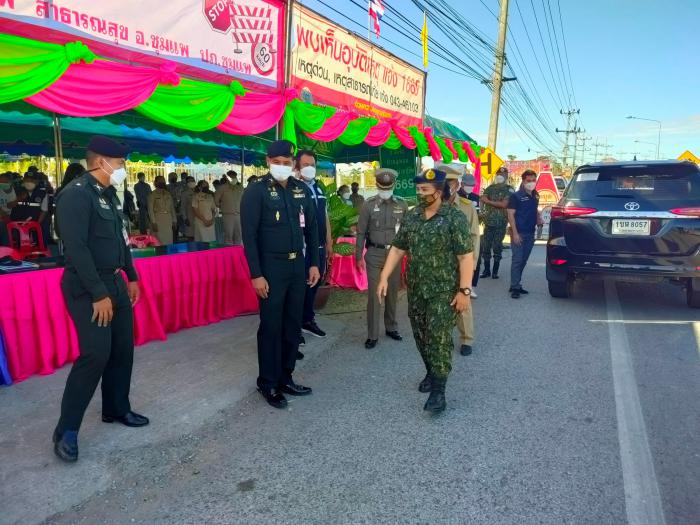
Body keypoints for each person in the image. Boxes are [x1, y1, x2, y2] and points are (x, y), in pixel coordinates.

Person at [52, 136, 148, 463]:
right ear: (100, 162)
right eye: (120, 164)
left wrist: (131, 276)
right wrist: (98, 293)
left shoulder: (108, 196)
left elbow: (121, 244)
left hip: (115, 282)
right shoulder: (75, 196)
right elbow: (76, 250)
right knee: (95, 354)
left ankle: (116, 409)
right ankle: (66, 430)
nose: (123, 170)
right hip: (86, 286)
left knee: (122, 349)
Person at [377, 168, 473, 414]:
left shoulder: (454, 218)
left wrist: (464, 291)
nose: (420, 194)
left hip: (444, 290)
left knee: (438, 337)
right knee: (421, 334)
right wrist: (384, 277)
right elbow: (398, 249)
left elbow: (465, 257)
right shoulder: (412, 216)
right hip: (417, 288)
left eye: (425, 190)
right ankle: (431, 371)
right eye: (418, 189)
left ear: (439, 192)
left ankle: (439, 392)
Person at [241, 140, 320, 410]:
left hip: (298, 267)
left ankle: (286, 377)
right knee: (271, 327)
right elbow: (249, 238)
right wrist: (256, 275)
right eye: (278, 163)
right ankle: (268, 382)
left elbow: (312, 230)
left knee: (292, 325)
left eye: (288, 163)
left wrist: (314, 264)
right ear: (268, 161)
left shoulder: (300, 191)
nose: (283, 167)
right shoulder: (256, 192)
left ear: (293, 164)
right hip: (271, 270)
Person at [355, 168, 408, 349]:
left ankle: (391, 327)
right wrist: (358, 256)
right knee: (374, 295)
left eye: (388, 187)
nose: (385, 190)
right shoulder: (368, 205)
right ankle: (372, 334)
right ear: (377, 185)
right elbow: (361, 232)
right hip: (374, 255)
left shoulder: (402, 204)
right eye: (382, 187)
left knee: (392, 292)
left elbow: (407, 233)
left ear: (393, 186)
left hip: (394, 255)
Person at [295, 150, 333, 344]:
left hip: (319, 245)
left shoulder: (319, 188)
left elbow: (324, 217)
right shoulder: (294, 188)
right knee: (300, 285)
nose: (309, 168)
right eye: (305, 165)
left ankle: (307, 320)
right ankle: (295, 327)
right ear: (297, 167)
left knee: (314, 283)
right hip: (301, 247)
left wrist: (329, 242)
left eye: (312, 165)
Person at [442, 165, 480, 356]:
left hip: (460, 263)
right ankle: (442, 337)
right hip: (438, 263)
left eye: (450, 183)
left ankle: (467, 339)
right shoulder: (431, 206)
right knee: (439, 302)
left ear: (457, 185)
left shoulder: (467, 207)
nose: (447, 187)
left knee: (463, 301)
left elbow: (474, 236)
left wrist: (472, 264)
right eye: (444, 183)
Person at [507, 169, 542, 299]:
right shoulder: (515, 196)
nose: (531, 183)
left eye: (533, 180)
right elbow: (510, 215)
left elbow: (534, 209)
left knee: (524, 260)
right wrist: (515, 233)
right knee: (517, 260)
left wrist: (538, 218)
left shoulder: (536, 195)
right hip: (519, 233)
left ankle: (515, 283)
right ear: (523, 181)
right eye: (529, 181)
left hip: (530, 233)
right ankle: (515, 287)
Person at [479, 166, 512, 279]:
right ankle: (487, 270)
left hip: (500, 223)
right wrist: (483, 207)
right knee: (486, 246)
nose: (500, 176)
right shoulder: (490, 188)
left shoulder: (509, 189)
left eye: (502, 175)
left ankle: (495, 271)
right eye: (498, 174)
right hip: (488, 222)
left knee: (497, 246)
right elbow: (482, 198)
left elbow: (504, 204)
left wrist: (488, 201)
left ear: (506, 176)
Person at [10, 172, 49, 247]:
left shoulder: (42, 193)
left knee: (37, 244)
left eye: (32, 180)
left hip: (35, 223)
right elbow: (9, 205)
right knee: (18, 245)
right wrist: (19, 199)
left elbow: (44, 211)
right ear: (23, 181)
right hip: (18, 224)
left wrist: (36, 224)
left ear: (37, 182)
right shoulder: (16, 191)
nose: (29, 182)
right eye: (27, 180)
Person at [215, 170, 244, 245]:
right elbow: (216, 201)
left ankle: (238, 253)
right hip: (228, 215)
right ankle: (228, 253)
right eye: (231, 177)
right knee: (229, 235)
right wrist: (224, 208)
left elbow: (243, 199)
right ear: (227, 178)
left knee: (239, 235)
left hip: (239, 214)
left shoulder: (240, 187)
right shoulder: (222, 188)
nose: (233, 178)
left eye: (234, 176)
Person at [148, 175, 177, 245]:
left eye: (163, 181)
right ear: (156, 182)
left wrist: (174, 220)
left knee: (169, 240)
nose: (162, 182)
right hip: (158, 219)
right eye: (160, 181)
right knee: (158, 241)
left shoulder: (168, 194)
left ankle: (168, 255)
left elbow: (172, 208)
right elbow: (150, 210)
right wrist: (153, 222)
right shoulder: (152, 194)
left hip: (168, 219)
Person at [0, 171, 17, 246]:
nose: (2, 184)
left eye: (5, 182)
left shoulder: (13, 190)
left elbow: (11, 205)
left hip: (8, 217)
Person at [180, 176, 196, 240]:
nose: (191, 182)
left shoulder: (198, 191)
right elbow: (183, 207)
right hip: (190, 217)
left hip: (199, 217)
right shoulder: (185, 193)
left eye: (193, 180)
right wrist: (185, 218)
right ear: (186, 183)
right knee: (191, 235)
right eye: (189, 181)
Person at [166, 172, 182, 241]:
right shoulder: (167, 187)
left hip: (179, 207)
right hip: (170, 208)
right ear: (169, 178)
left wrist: (179, 204)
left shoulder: (180, 186)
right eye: (172, 177)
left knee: (178, 224)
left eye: (175, 177)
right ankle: (172, 238)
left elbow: (181, 196)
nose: (173, 178)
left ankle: (176, 237)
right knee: (172, 224)